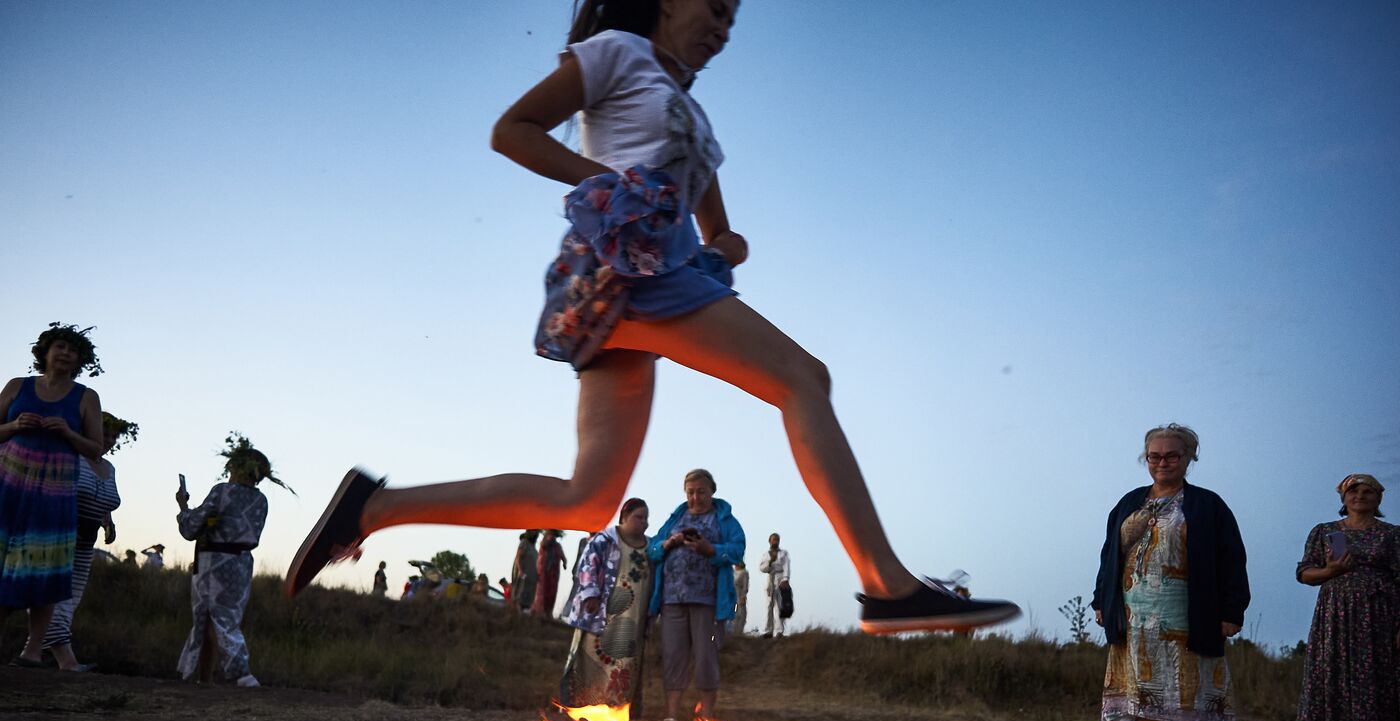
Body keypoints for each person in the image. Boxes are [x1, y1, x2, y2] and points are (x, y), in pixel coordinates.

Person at [284, 0, 1019, 635]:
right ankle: (887, 585)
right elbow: (513, 130)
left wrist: (727, 242)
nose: (723, 27)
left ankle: (373, 506)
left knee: (588, 499)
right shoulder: (616, 53)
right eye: (715, 7)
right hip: (630, 274)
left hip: (652, 281)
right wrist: (608, 181)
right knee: (803, 379)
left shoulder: (690, 111)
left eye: (734, 18)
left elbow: (717, 225)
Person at [1093, 424, 1249, 721]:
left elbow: (1232, 560)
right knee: (1147, 698)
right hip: (1136, 619)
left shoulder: (1208, 504)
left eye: (1172, 455)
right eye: (1155, 456)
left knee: (1194, 698)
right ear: (1146, 459)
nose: (1163, 462)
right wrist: (1102, 600)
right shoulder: (1129, 501)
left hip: (1192, 616)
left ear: (1189, 458)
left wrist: (1231, 610)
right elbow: (1110, 555)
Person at [1, 323, 105, 669]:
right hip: (10, 483)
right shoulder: (18, 386)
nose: (64, 354)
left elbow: (96, 447)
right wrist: (14, 427)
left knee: (45, 565)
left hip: (55, 490)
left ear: (80, 360)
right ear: (44, 351)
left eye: (72, 351)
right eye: (59, 346)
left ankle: (32, 651)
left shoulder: (85, 396)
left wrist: (66, 432)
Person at [175, 433, 292, 687]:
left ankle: (241, 674)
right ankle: (203, 679)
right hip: (241, 564)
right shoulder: (262, 500)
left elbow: (192, 527)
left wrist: (183, 508)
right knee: (220, 619)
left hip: (213, 562)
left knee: (214, 619)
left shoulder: (222, 491)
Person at [1295, 474, 1399, 721]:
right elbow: (1305, 573)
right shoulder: (1325, 531)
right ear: (1343, 498)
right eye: (1353, 491)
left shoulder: (1392, 535)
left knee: (1377, 677)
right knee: (1331, 672)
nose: (1360, 496)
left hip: (1379, 616)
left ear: (1379, 499)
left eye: (1368, 492)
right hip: (1335, 617)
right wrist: (1330, 571)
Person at [42, 412, 136, 671]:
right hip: (60, 536)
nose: (109, 440)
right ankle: (66, 660)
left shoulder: (109, 468)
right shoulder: (72, 458)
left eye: (113, 437)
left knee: (71, 598)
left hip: (86, 541)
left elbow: (104, 498)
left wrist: (108, 520)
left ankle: (32, 651)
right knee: (54, 596)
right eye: (105, 434)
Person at [648, 469, 743, 721]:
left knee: (706, 655)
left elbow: (737, 549)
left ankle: (707, 715)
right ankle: (671, 715)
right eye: (690, 492)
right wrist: (669, 543)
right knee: (673, 654)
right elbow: (653, 549)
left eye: (701, 491)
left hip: (709, 600)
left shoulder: (724, 519)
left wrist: (710, 549)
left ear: (712, 490)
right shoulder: (675, 518)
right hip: (672, 599)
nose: (695, 497)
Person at [561, 497, 653, 707]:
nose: (643, 522)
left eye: (646, 518)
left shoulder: (651, 547)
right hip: (601, 613)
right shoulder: (604, 540)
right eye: (638, 517)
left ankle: (618, 709)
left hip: (634, 616)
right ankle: (584, 705)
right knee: (593, 657)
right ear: (624, 517)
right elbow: (587, 568)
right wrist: (591, 595)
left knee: (626, 660)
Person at [759, 532, 790, 638]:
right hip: (770, 580)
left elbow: (786, 566)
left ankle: (780, 631)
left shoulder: (784, 553)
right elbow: (762, 568)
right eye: (773, 539)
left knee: (780, 606)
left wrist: (786, 579)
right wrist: (770, 562)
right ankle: (768, 630)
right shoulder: (766, 554)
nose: (775, 541)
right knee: (769, 606)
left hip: (780, 580)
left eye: (777, 539)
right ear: (769, 541)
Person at [532, 528, 568, 619]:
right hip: (543, 573)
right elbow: (543, 547)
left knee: (551, 593)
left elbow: (563, 558)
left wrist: (564, 563)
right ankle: (539, 611)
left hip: (553, 574)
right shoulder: (544, 544)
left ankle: (548, 612)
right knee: (541, 592)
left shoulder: (557, 546)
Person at [511, 530, 540, 614]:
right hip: (523, 577)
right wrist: (520, 570)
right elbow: (518, 557)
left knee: (527, 602)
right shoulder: (524, 543)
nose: (536, 534)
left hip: (531, 580)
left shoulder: (533, 547)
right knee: (519, 598)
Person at [731, 561, 748, 635]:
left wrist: (743, 596)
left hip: (740, 595)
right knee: (734, 613)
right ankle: (733, 631)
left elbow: (745, 585)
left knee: (741, 614)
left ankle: (739, 631)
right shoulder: (732, 572)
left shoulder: (744, 573)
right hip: (732, 596)